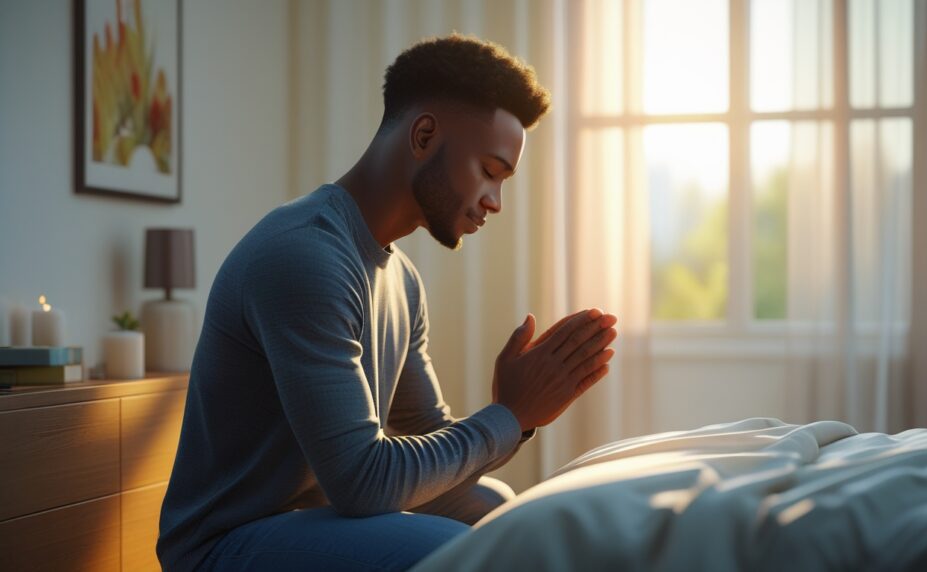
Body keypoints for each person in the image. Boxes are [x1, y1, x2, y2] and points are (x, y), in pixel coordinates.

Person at [157, 34, 618, 572]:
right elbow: (363, 481)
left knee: (494, 509)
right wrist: (507, 415)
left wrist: (517, 417)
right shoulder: (304, 256)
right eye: (491, 172)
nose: (495, 200)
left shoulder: (402, 279)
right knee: (457, 553)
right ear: (424, 134)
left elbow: (431, 447)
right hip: (224, 543)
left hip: (317, 517)